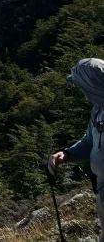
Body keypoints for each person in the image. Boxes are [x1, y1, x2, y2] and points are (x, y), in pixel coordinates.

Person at [50, 57, 104, 241]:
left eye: (82, 86)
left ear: (92, 85)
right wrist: (66, 154)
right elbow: (89, 141)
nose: (81, 91)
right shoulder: (98, 109)